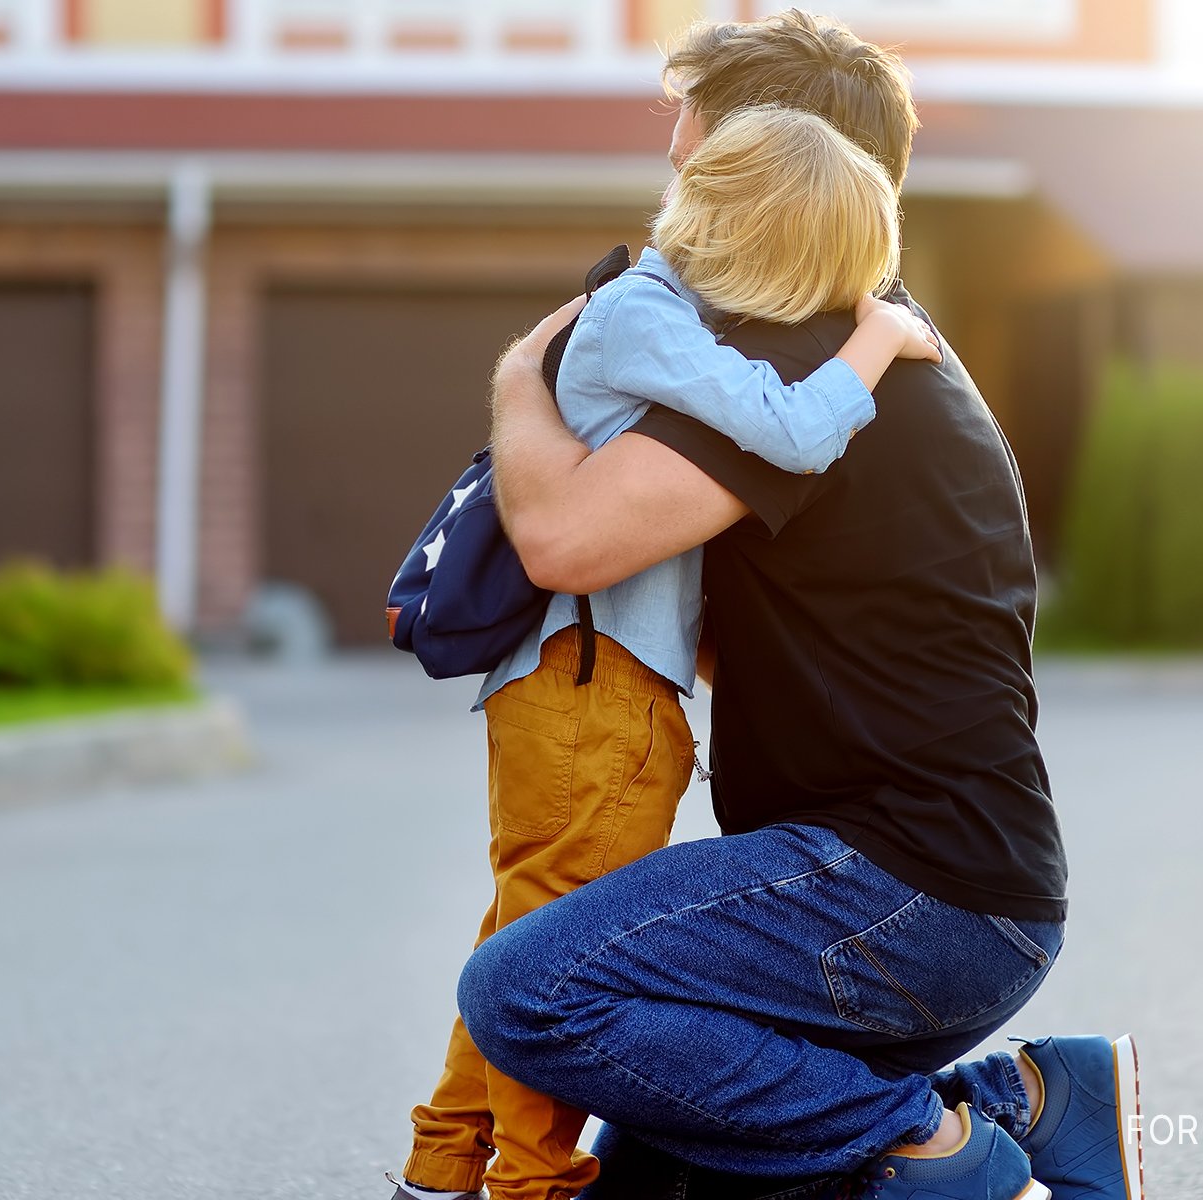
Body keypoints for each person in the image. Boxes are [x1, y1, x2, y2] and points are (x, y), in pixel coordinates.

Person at [450, 11, 1142, 1200]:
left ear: (775, 155)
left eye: (696, 126)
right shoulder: (865, 345)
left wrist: (520, 376)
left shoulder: (796, 361)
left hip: (900, 894)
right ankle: (1037, 1100)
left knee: (528, 991)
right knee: (657, 1183)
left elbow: (564, 536)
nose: (676, 155)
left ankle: (948, 1154)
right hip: (948, 897)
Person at [392, 96, 947, 1200]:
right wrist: (880, 338)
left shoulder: (648, 315)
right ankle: (533, 1186)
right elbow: (791, 429)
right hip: (590, 689)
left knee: (528, 924)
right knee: (553, 955)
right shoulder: (648, 315)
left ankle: (444, 1166)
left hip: (593, 687)